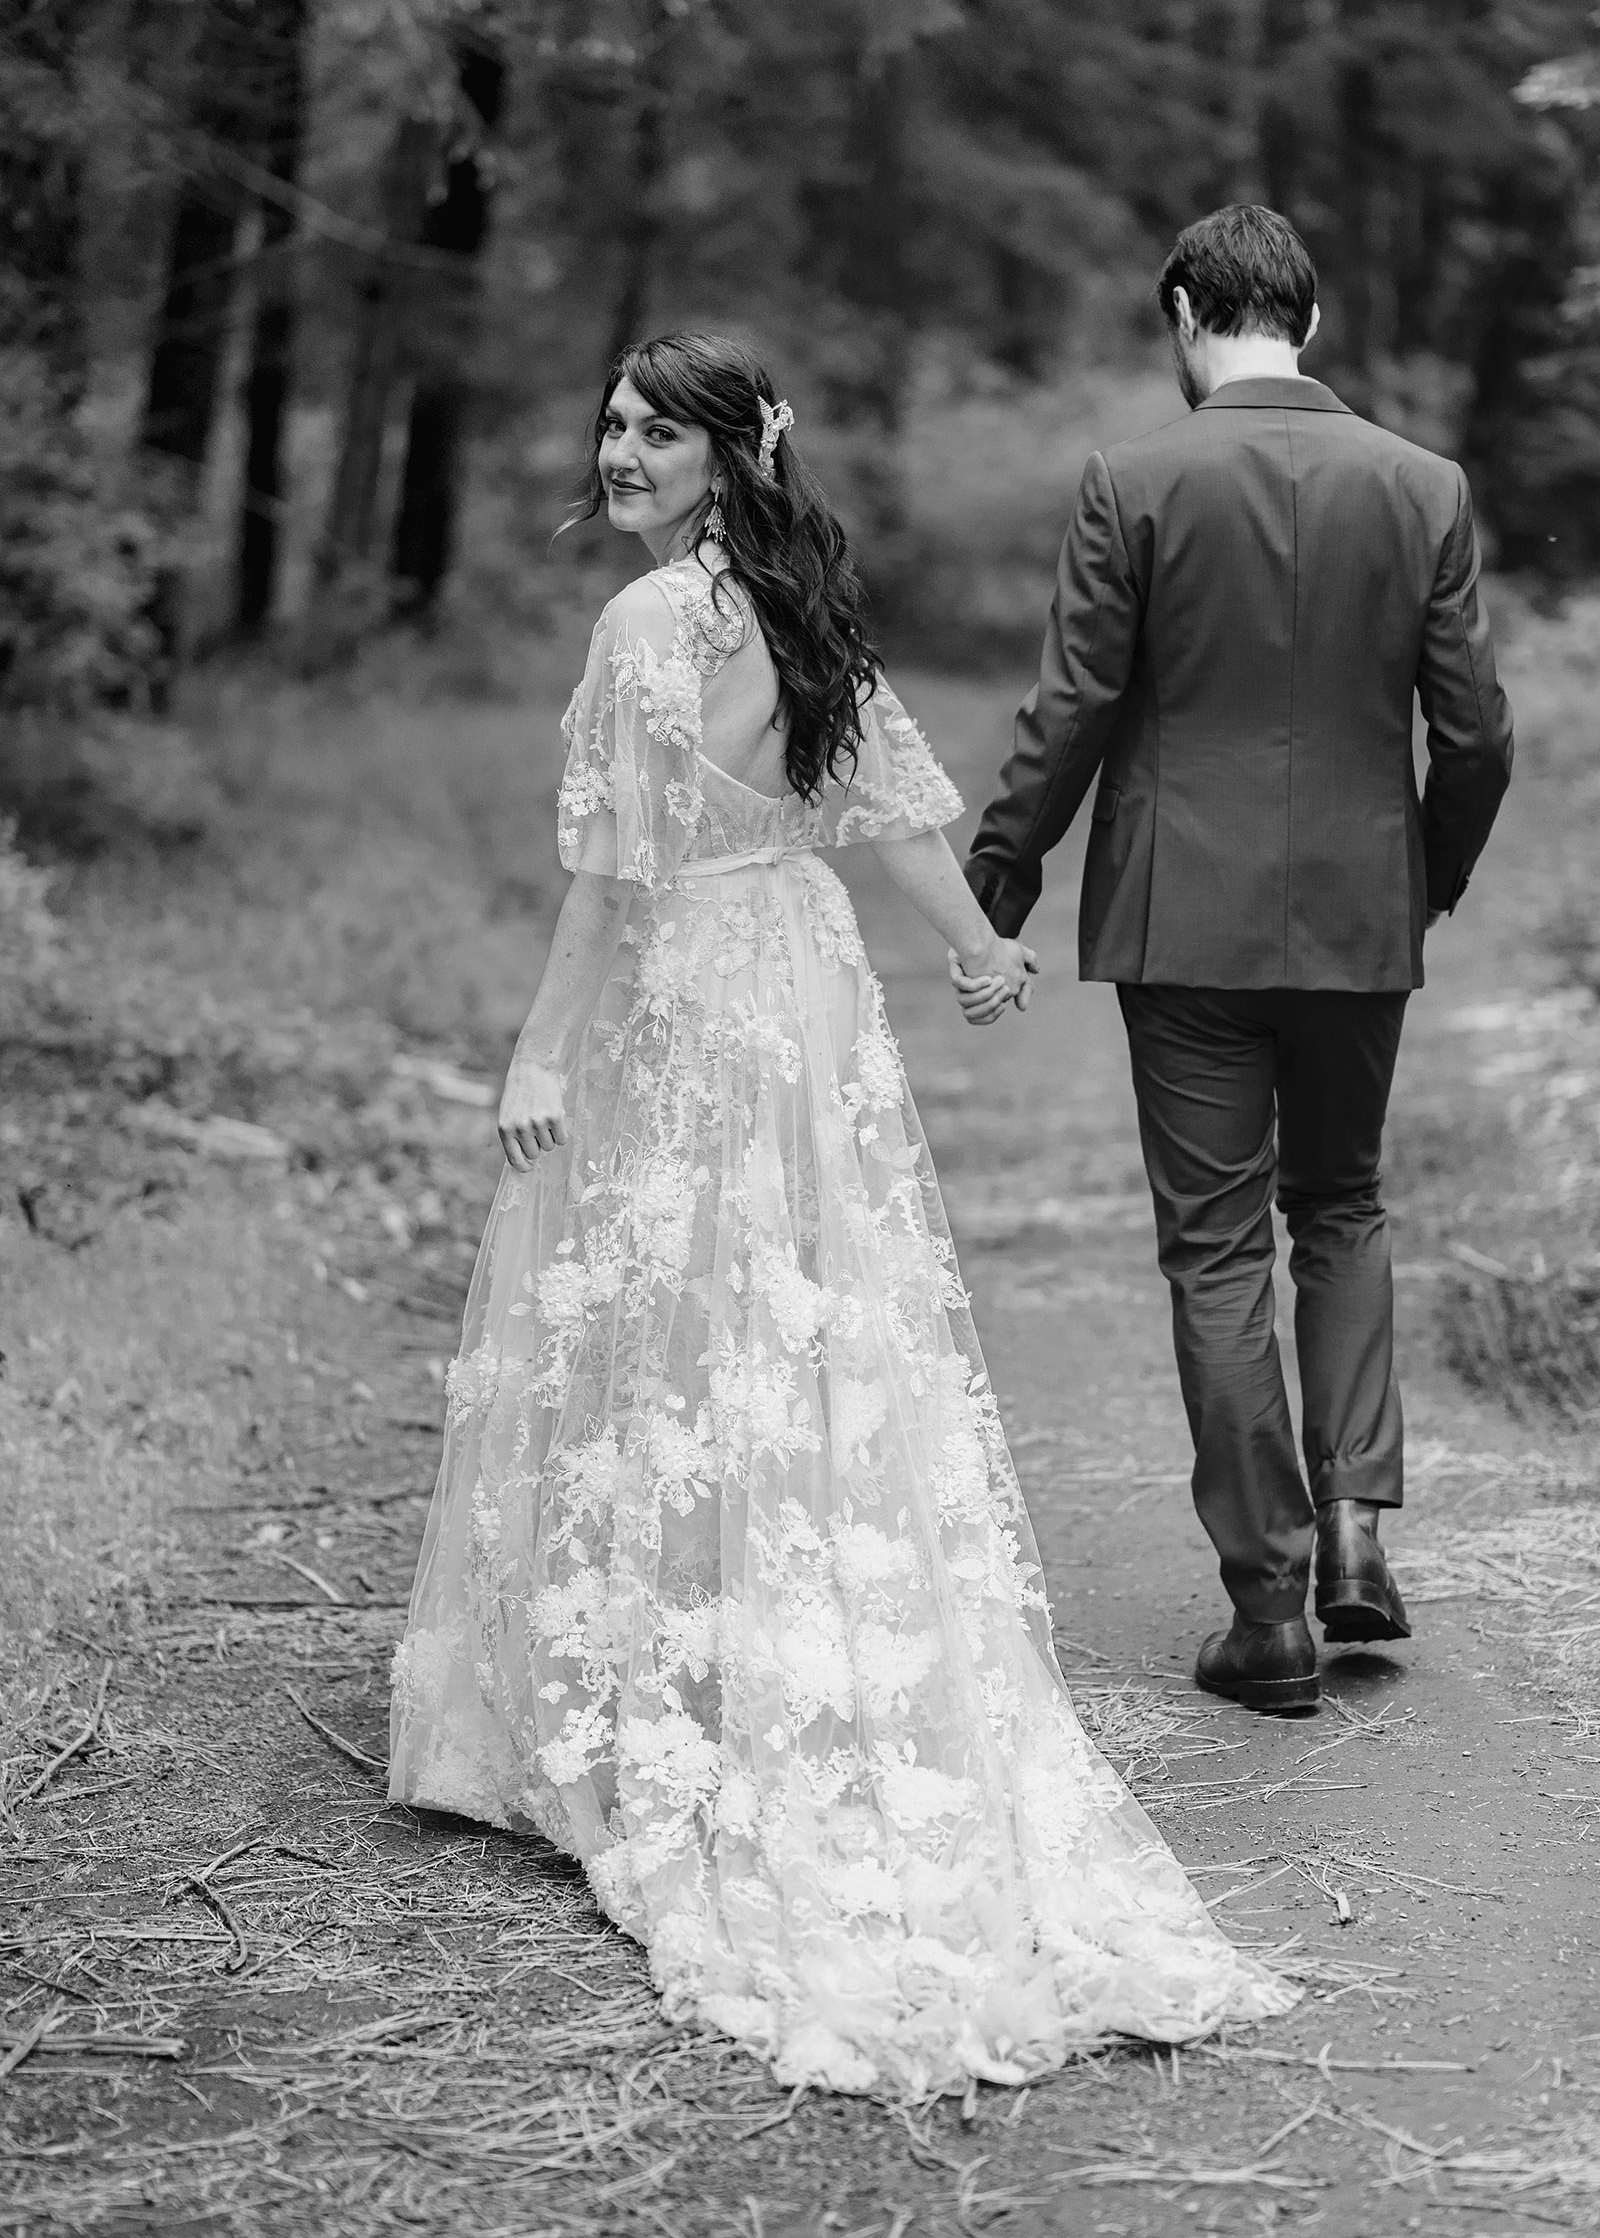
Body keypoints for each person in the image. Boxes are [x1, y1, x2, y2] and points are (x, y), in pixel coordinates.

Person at [389, 330, 1293, 2094]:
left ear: (735, 450)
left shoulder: (649, 628)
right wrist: (972, 947)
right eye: (616, 422)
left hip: (690, 983)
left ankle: (666, 1670)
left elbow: (613, 870)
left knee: (674, 1305)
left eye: (659, 429)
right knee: (782, 1296)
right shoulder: (800, 606)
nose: (624, 447)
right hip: (798, 983)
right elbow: (879, 820)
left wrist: (540, 1054)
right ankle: (722, 1640)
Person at [958, 205, 1514, 1716]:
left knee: (1214, 1248)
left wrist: (993, 888)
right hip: (1357, 917)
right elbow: (1474, 733)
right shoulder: (1422, 487)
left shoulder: (1132, 482)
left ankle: (1268, 1610)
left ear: (1189, 314)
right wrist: (1426, 875)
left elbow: (1069, 707)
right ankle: (1355, 1523)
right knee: (1339, 1203)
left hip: (1181, 925)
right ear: (1312, 322)